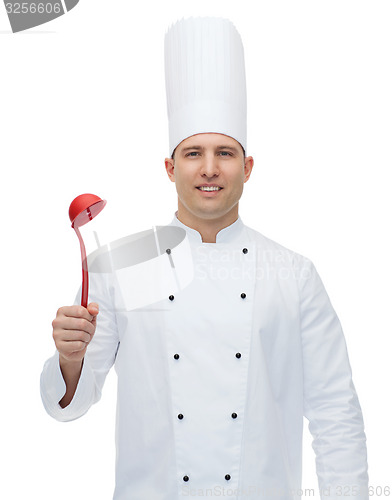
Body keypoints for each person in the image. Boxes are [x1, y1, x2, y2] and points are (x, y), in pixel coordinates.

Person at [41, 17, 369, 500]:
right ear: (171, 168)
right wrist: (70, 361)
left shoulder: (293, 274)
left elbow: (335, 412)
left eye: (225, 153)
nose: (210, 169)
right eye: (193, 153)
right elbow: (69, 405)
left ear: (248, 168)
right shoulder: (125, 264)